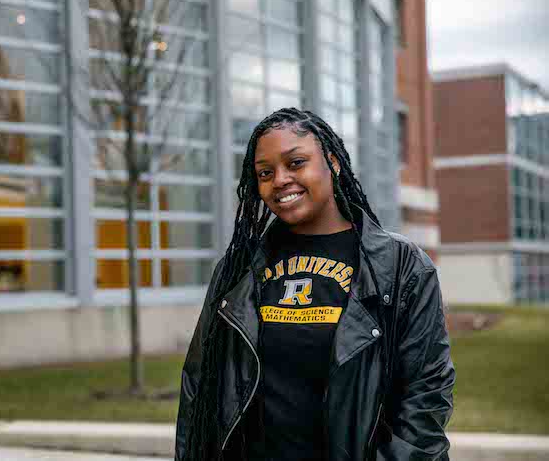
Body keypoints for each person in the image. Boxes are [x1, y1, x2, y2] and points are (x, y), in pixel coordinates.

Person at [174, 108, 455, 461]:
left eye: (295, 163)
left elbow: (426, 397)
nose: (279, 179)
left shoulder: (401, 267)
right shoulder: (238, 271)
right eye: (265, 172)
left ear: (333, 163)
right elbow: (198, 388)